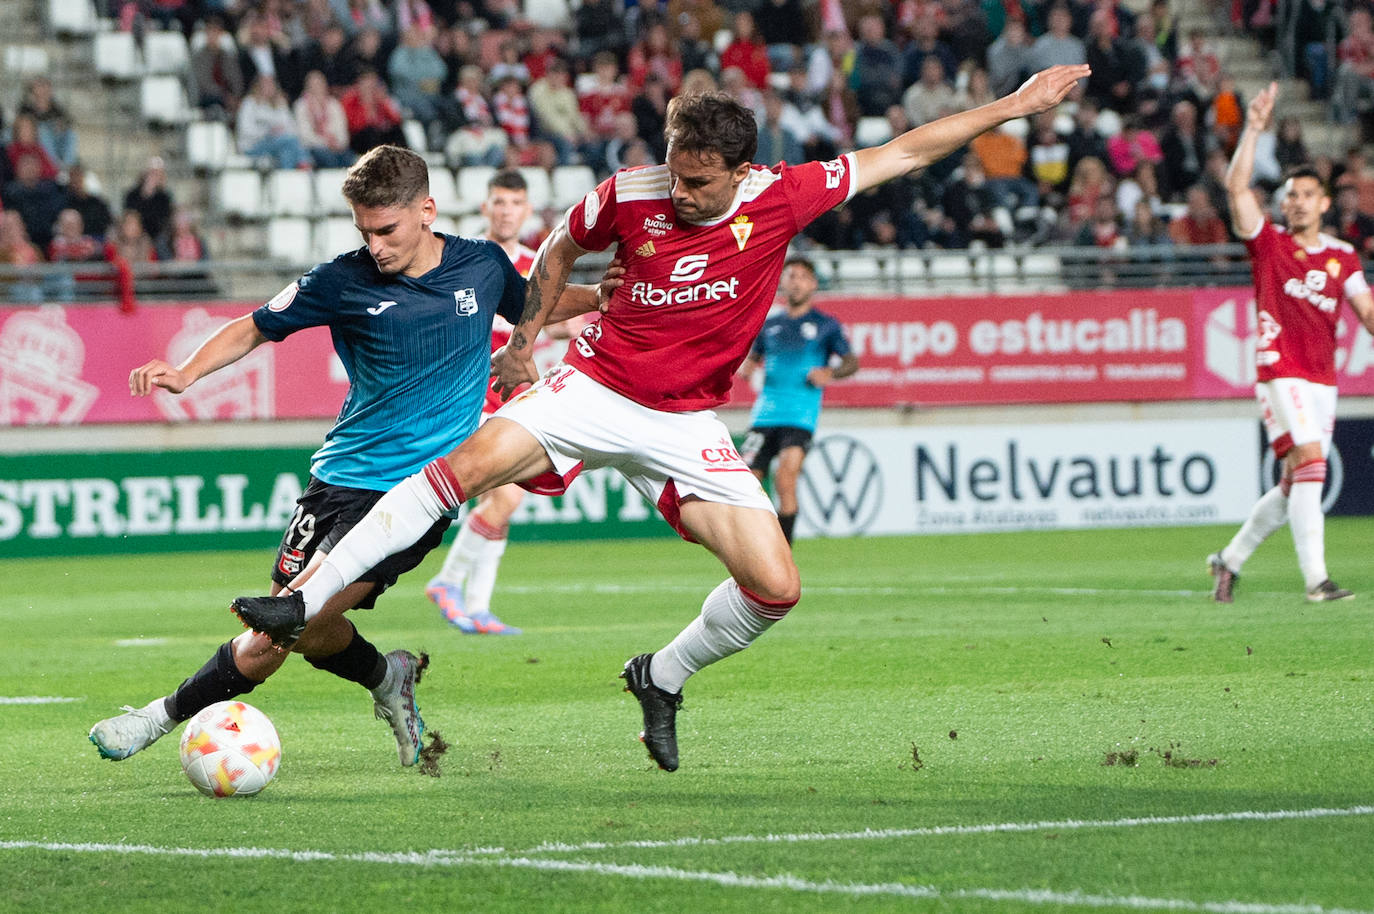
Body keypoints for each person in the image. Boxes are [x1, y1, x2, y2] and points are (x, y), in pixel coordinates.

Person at [229, 64, 1091, 773]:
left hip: (687, 423)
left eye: (697, 180)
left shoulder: (784, 196)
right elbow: (563, 247)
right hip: (594, 387)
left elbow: (904, 151)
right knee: (462, 470)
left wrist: (1013, 106)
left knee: (776, 587)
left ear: (739, 170)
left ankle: (662, 676)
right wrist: (527, 340)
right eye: (673, 171)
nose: (677, 190)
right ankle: (298, 602)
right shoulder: (630, 192)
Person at [88, 146, 607, 769]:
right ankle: (389, 678)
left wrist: (603, 295)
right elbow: (256, 324)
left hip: (419, 491)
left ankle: (156, 718)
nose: (376, 245)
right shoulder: (341, 279)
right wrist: (185, 372)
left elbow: (536, 304)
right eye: (364, 231)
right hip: (336, 479)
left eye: (386, 230)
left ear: (427, 210)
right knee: (310, 630)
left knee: (281, 625)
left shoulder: (481, 267)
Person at [1207, 83, 1374, 604]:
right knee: (1311, 462)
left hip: (1323, 378)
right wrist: (1253, 128)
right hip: (1280, 368)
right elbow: (1237, 191)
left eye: (1305, 195)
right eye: (1289, 196)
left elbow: (1366, 310)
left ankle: (1228, 560)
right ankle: (1317, 581)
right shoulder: (1270, 244)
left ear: (1324, 203)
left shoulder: (1343, 256)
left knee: (1292, 481)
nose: (1295, 203)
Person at [424, 169, 584, 635]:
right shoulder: (464, 259)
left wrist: (567, 324)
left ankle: (476, 605)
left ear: (527, 210)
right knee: (509, 494)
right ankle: (448, 582)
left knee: (501, 500)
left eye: (515, 203)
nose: (506, 211)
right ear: (485, 208)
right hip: (472, 395)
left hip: (514, 397)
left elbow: (548, 322)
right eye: (499, 202)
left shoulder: (539, 265)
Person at [737, 257, 858, 544]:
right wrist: (748, 367)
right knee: (746, 482)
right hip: (764, 414)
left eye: (803, 276)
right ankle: (757, 544)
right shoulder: (771, 324)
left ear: (813, 284)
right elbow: (751, 361)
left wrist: (831, 371)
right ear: (783, 281)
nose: (796, 281)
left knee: (785, 478)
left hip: (800, 416)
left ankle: (783, 553)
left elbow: (851, 362)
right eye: (791, 275)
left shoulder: (825, 325)